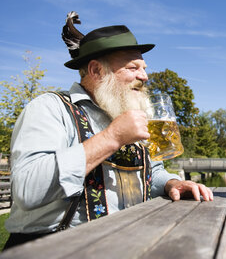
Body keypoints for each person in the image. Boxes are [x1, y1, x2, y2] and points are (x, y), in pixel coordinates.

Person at [4, 12, 213, 248]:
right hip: (53, 248)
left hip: (124, 243)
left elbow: (150, 171)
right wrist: (112, 137)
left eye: (144, 68)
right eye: (133, 67)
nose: (144, 76)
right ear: (96, 71)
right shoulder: (49, 109)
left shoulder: (125, 112)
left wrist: (172, 183)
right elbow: (27, 190)